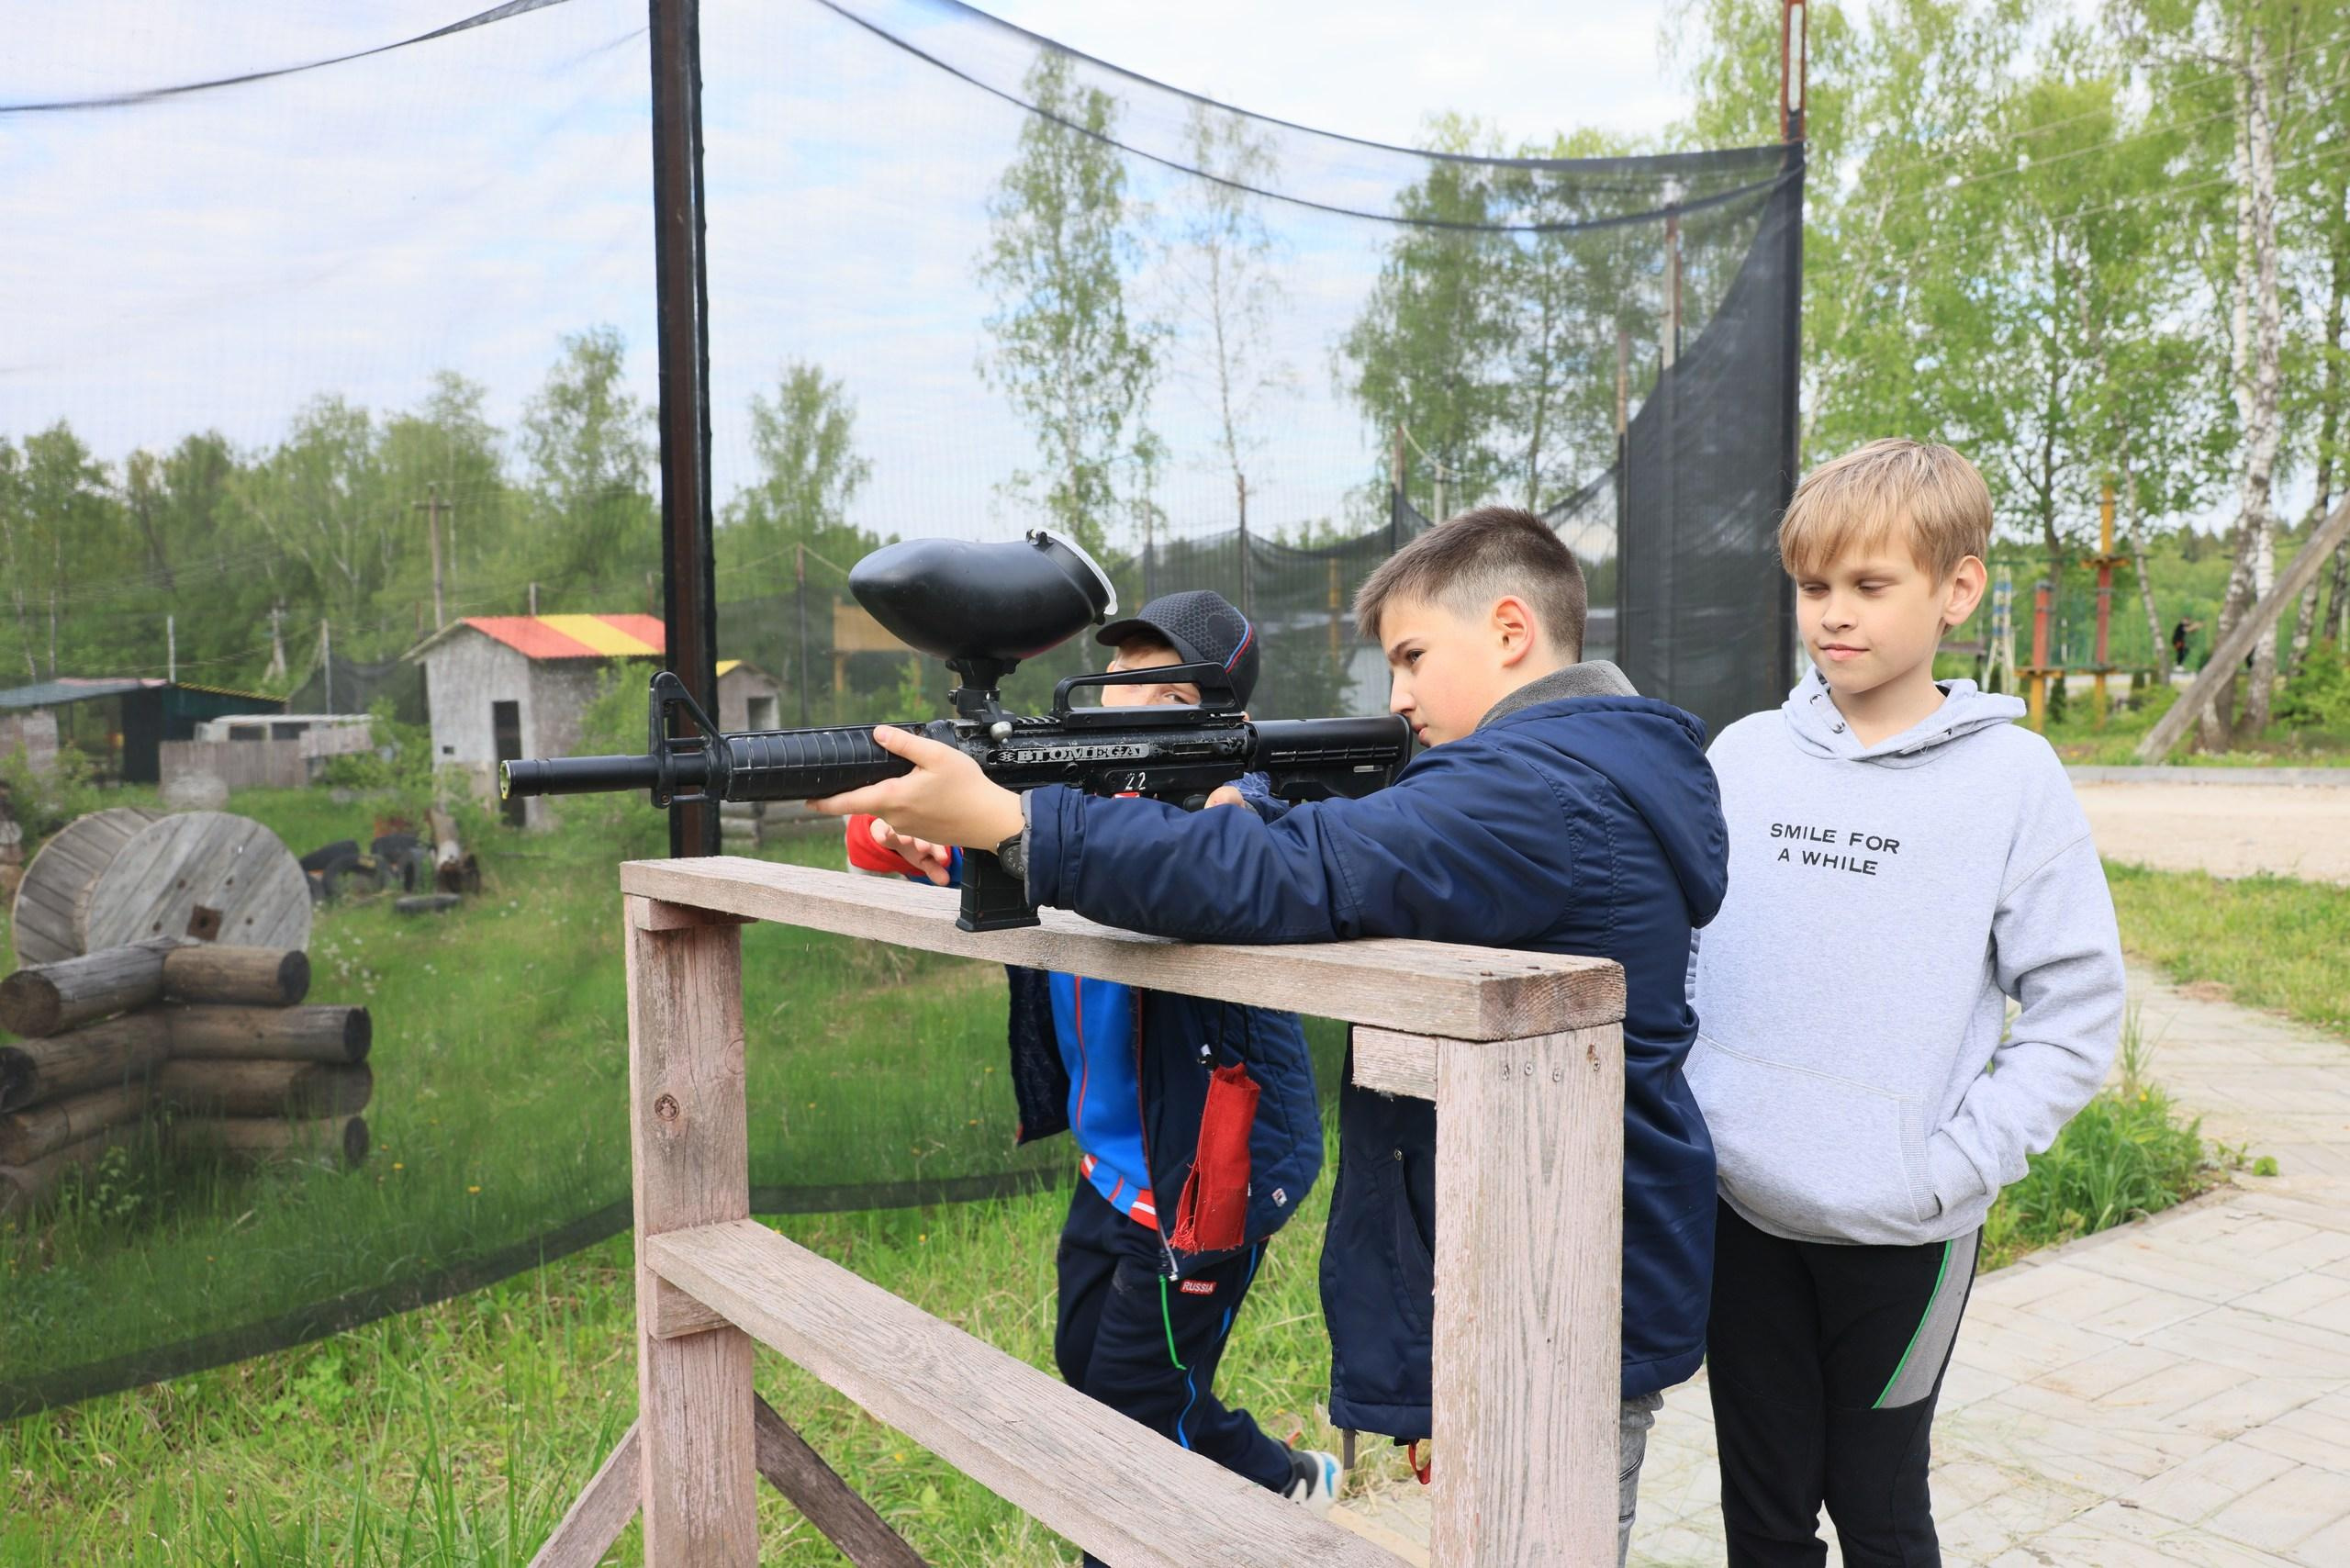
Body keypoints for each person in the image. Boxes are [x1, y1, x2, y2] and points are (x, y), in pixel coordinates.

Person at [813, 509, 1729, 1565]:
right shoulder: (1568, 771)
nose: (1396, 696)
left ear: (1512, 631)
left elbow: (1286, 872)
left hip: (1556, 1289)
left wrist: (1020, 828)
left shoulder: (1532, 791)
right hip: (1541, 1259)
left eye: (1413, 657)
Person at [1689, 439, 2124, 1566]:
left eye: (1869, 586)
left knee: (1875, 1506)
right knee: (1762, 1508)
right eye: (1813, 587)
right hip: (1739, 1216)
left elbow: (2075, 1011)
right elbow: (1688, 953)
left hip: (1903, 1234)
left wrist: (1951, 1167)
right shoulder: (1743, 757)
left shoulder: (2012, 780)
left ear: (1957, 589)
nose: (1834, 615)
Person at [842, 590, 1344, 1553]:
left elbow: (1233, 839)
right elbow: (912, 849)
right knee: (1092, 1366)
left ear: (1218, 713)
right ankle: (1276, 1476)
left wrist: (1048, 819)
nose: (1118, 695)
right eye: (1113, 674)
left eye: (1151, 679)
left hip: (1204, 1173)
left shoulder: (1235, 803)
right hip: (1113, 1163)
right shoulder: (1071, 810)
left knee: (1122, 1428)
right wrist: (902, 832)